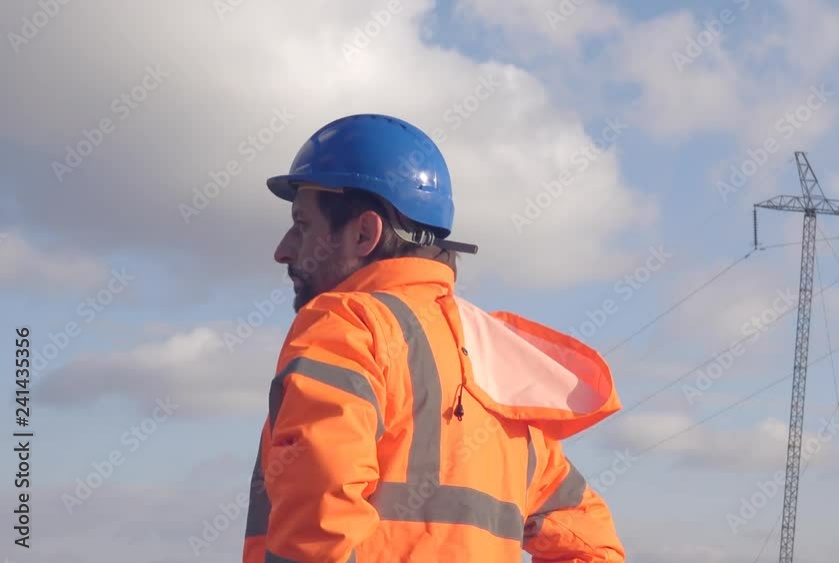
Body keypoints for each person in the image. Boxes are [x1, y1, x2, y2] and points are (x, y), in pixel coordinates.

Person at [242, 113, 626, 563]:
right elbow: (594, 546)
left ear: (365, 233)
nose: (283, 250)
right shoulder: (491, 364)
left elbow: (317, 523)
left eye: (302, 225)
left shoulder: (347, 324)